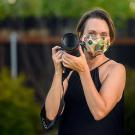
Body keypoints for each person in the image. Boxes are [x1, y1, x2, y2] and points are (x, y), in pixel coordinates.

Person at [40, 8, 126, 135]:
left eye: (103, 35)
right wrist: (58, 72)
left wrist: (83, 70)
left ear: (110, 39)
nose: (97, 38)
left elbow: (99, 112)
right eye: (92, 33)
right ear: (80, 35)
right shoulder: (70, 70)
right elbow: (51, 114)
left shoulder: (115, 69)